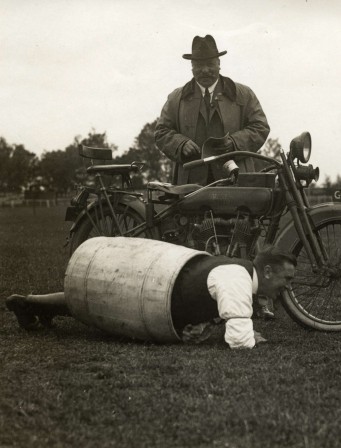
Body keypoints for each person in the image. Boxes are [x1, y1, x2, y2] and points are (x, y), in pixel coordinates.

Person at [6, 245, 296, 350]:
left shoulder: (237, 270)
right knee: (97, 296)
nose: (288, 287)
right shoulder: (238, 278)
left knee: (92, 296)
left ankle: (33, 303)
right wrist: (251, 337)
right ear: (267, 271)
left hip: (165, 286)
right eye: (287, 279)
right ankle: (33, 304)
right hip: (161, 300)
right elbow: (239, 341)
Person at [154, 34, 270, 186]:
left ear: (219, 63)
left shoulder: (243, 94)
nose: (205, 70)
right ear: (192, 67)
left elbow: (260, 127)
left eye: (210, 64)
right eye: (199, 65)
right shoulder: (177, 98)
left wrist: (235, 142)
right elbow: (161, 131)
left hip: (236, 181)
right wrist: (180, 144)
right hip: (190, 185)